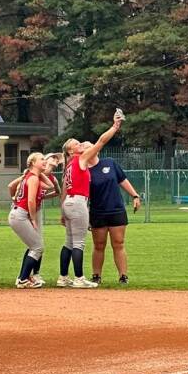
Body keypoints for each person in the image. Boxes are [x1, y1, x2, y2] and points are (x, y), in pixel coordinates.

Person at [57, 111, 124, 288]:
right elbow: (101, 142)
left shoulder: (69, 165)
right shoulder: (80, 158)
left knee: (69, 242)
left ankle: (63, 277)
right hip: (78, 202)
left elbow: (64, 190)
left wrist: (62, 211)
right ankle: (79, 278)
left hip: (69, 203)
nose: (81, 144)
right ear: (72, 151)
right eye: (77, 144)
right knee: (79, 242)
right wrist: (114, 127)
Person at [86, 145, 141, 285]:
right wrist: (86, 216)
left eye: (90, 147)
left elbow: (122, 180)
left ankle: (123, 276)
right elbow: (84, 195)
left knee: (118, 243)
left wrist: (135, 196)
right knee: (99, 245)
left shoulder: (109, 162)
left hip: (116, 210)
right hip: (97, 212)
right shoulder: (84, 170)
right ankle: (96, 276)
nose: (88, 149)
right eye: (85, 148)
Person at [8, 153, 56, 288]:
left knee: (34, 247)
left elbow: (50, 185)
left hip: (18, 214)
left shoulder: (32, 176)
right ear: (32, 163)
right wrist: (33, 219)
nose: (44, 161)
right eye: (41, 159)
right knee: (38, 247)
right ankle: (23, 279)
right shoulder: (33, 178)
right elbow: (30, 200)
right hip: (21, 214)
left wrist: (39, 172)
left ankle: (22, 278)